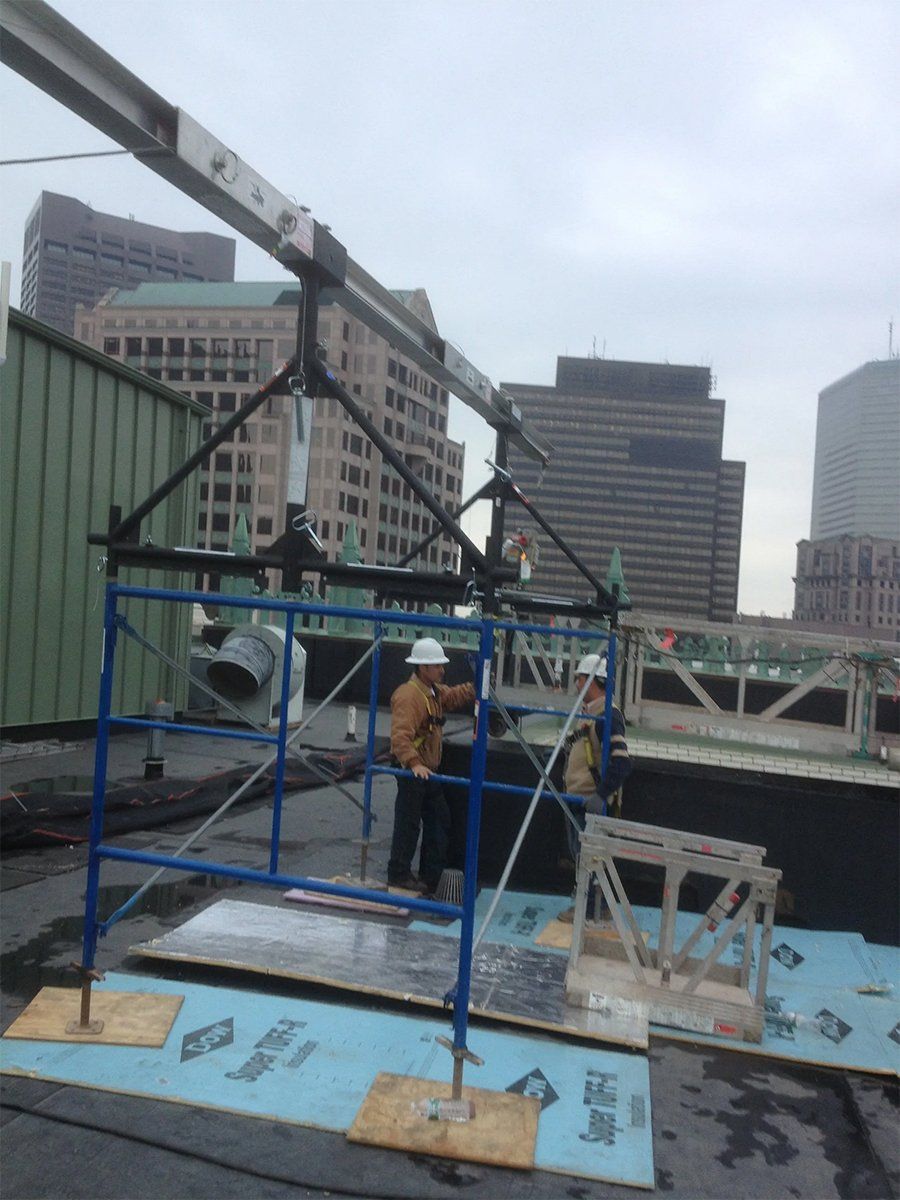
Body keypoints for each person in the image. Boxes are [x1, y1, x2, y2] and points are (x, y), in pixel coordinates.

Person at [388, 636, 475, 894]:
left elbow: (454, 695)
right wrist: (414, 763)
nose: (442, 670)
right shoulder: (409, 696)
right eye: (437, 666)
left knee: (438, 820)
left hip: (427, 770)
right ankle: (399, 874)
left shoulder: (433, 692)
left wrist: (476, 686)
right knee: (409, 822)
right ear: (423, 668)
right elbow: (400, 736)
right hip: (414, 770)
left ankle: (430, 876)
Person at [558, 652, 632, 923]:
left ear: (591, 681)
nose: (576, 685)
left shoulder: (607, 716)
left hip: (589, 801)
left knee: (589, 858)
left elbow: (622, 763)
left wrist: (600, 796)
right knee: (583, 858)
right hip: (578, 798)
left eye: (579, 679)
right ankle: (589, 907)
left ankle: (589, 911)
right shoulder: (590, 714)